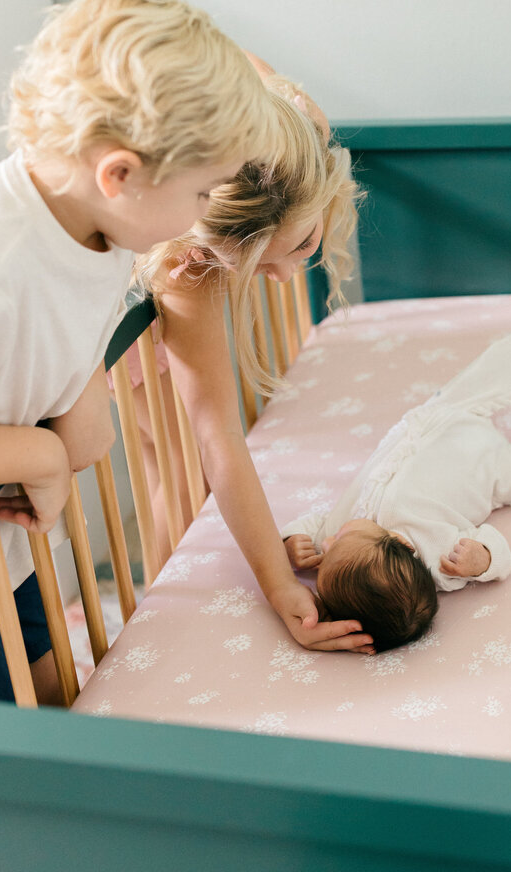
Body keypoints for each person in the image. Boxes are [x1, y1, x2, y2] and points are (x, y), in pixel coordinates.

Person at [0, 0, 277, 702]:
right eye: (203, 195)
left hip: (3, 558)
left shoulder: (94, 228)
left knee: (60, 720)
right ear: (120, 174)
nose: (204, 216)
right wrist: (43, 453)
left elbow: (70, 334)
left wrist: (80, 397)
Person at [132, 83, 375, 655]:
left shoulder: (295, 127)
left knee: (172, 462)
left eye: (303, 244)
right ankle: (161, 616)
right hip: (144, 348)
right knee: (177, 465)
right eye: (262, 267)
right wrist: (276, 583)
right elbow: (219, 435)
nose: (290, 276)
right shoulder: (190, 270)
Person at [281, 313, 511, 652]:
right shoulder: (439, 560)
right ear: (400, 543)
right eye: (337, 541)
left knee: (480, 376)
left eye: (327, 546)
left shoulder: (335, 542)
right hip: (486, 465)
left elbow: (315, 523)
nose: (327, 542)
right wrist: (482, 559)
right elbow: (499, 552)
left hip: (432, 425)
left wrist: (293, 538)